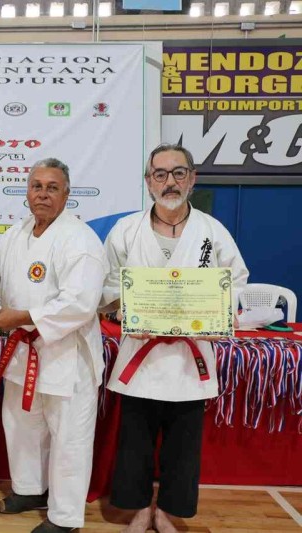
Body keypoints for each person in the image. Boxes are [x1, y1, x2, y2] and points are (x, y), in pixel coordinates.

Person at [0, 158, 107, 533]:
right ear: (27, 192)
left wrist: (22, 317)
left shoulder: (80, 240)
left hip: (66, 355)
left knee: (69, 438)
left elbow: (80, 305)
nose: (43, 194)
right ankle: (30, 490)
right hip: (22, 350)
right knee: (22, 425)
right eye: (37, 186)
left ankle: (64, 517)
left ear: (67, 194)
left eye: (52, 187)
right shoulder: (15, 235)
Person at [99, 144, 249, 533]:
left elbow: (236, 280)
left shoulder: (212, 231)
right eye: (161, 174)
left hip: (189, 358)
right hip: (141, 355)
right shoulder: (126, 230)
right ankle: (138, 509)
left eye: (179, 173)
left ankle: (167, 511)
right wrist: (123, 309)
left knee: (183, 445)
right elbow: (106, 286)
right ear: (149, 182)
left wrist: (218, 312)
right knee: (135, 442)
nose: (170, 182)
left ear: (192, 179)